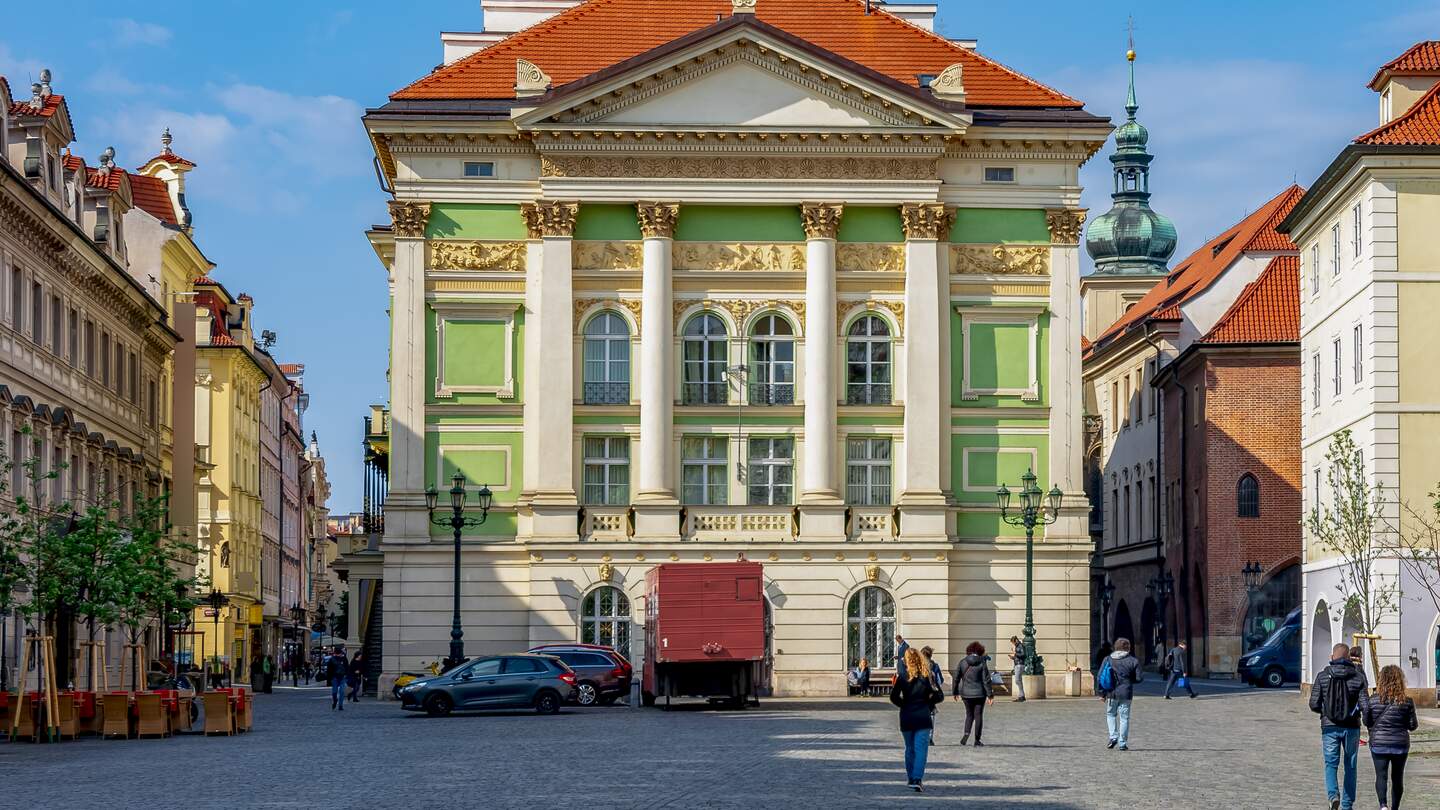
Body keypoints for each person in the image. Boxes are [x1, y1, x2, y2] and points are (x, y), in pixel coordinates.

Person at [1310, 642, 1367, 810]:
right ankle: (1347, 805)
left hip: (1329, 727)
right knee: (1350, 765)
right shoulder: (1358, 677)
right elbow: (1366, 705)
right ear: (1349, 657)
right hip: (1351, 727)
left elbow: (1313, 704)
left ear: (1332, 657)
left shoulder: (1322, 676)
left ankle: (1333, 795)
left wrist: (1326, 711)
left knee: (1331, 764)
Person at [1362, 665, 1417, 810]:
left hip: (1379, 743)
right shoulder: (1407, 701)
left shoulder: (1373, 700)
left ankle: (1383, 805)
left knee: (1381, 776)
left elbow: (1366, 721)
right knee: (1397, 777)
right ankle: (1395, 808)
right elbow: (1412, 725)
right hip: (1400, 744)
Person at [890, 646, 943, 792]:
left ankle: (910, 777)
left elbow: (893, 697)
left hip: (907, 716)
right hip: (923, 716)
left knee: (910, 749)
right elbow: (940, 696)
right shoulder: (927, 675)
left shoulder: (902, 676)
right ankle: (917, 778)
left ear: (906, 660)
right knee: (921, 750)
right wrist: (928, 703)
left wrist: (904, 705)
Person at [1097, 637, 1142, 751]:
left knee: (1111, 715)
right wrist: (1129, 680)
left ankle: (1113, 736)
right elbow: (1139, 678)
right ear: (1128, 648)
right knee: (1124, 718)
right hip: (1126, 692)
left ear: (1115, 647)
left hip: (1112, 692)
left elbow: (1100, 677)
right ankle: (1122, 743)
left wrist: (1102, 693)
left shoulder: (1108, 659)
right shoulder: (1133, 660)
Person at [952, 641, 994, 746]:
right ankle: (977, 740)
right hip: (980, 694)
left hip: (966, 694)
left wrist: (955, 691)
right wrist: (990, 695)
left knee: (969, 715)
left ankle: (966, 733)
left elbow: (956, 678)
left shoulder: (962, 662)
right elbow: (986, 680)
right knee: (978, 715)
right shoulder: (982, 663)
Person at [1009, 635, 1027, 702]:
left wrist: (1015, 653)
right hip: (1017, 664)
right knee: (1019, 680)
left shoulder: (1020, 646)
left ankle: (1022, 695)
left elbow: (1023, 655)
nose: (1013, 644)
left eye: (1013, 642)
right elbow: (1018, 656)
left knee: (1017, 680)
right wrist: (1013, 657)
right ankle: (1021, 696)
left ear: (1015, 640)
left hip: (1020, 665)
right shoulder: (1017, 646)